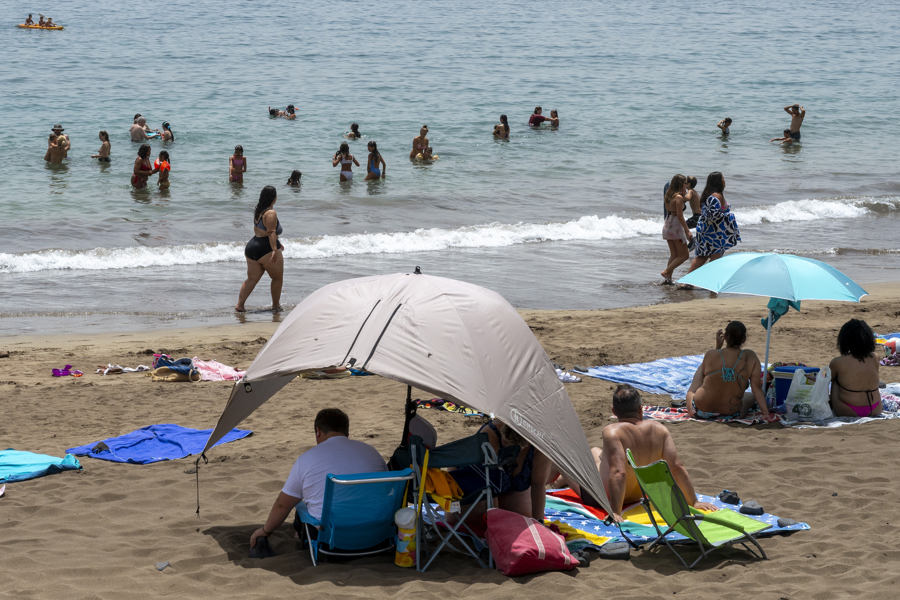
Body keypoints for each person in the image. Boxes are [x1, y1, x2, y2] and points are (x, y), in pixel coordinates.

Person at [249, 408, 387, 550]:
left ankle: (302, 535)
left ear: (318, 432)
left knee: (299, 505)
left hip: (332, 541)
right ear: (347, 432)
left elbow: (282, 505)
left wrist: (265, 531)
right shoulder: (372, 452)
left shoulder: (306, 459)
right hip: (377, 535)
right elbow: (385, 491)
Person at [577, 385, 719, 522]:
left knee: (565, 458)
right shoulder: (659, 429)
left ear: (614, 411)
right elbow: (677, 467)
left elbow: (619, 473)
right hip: (637, 496)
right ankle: (560, 481)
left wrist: (615, 512)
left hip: (603, 498)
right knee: (596, 452)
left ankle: (556, 478)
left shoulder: (612, 431)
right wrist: (693, 502)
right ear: (640, 410)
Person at [454, 420, 552, 524]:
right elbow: (490, 485)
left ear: (526, 444)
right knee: (465, 520)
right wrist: (496, 524)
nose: (506, 447)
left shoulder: (541, 444)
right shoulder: (490, 434)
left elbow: (538, 484)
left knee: (523, 519)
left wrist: (539, 522)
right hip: (477, 482)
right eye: (504, 442)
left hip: (509, 486)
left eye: (513, 448)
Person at [686, 322, 768, 420]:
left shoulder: (711, 354)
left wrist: (717, 348)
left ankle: (692, 392)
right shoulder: (751, 357)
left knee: (701, 371)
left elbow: (704, 371)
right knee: (750, 396)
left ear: (725, 336)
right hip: (730, 414)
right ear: (744, 339)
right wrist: (765, 413)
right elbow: (756, 388)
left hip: (698, 411)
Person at [236, 186, 284, 312]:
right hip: (266, 248)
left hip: (252, 246)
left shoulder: (259, 212)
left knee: (252, 279)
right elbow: (271, 232)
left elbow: (261, 230)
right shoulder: (271, 213)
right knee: (277, 278)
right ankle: (276, 305)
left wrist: (278, 243)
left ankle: (240, 305)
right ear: (274, 198)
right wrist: (274, 249)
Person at [686, 171, 741, 274]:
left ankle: (688, 282)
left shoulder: (711, 195)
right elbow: (713, 215)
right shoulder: (716, 196)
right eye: (723, 178)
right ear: (718, 181)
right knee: (714, 258)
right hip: (712, 233)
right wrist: (729, 216)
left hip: (708, 230)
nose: (724, 181)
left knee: (703, 256)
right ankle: (708, 282)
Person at [829, 319, 882, 417]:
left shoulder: (838, 362)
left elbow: (826, 382)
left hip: (849, 410)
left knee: (835, 380)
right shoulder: (875, 357)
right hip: (875, 408)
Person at [660, 174, 693, 284]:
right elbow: (680, 215)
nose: (686, 185)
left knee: (674, 255)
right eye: (684, 183)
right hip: (675, 227)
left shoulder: (669, 196)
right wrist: (687, 230)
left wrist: (683, 194)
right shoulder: (678, 198)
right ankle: (667, 271)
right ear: (680, 184)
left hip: (667, 225)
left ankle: (668, 279)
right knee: (684, 255)